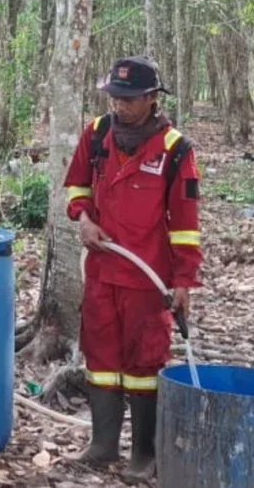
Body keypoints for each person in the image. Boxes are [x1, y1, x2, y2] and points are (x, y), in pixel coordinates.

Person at [62, 56, 203, 480]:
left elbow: (185, 226)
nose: (118, 106)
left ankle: (144, 454)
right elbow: (76, 184)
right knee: (100, 357)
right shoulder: (98, 134)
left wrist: (182, 282)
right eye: (114, 98)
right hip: (103, 273)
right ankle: (103, 445)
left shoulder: (175, 150)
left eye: (127, 99)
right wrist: (83, 217)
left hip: (147, 279)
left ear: (150, 99)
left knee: (144, 365)